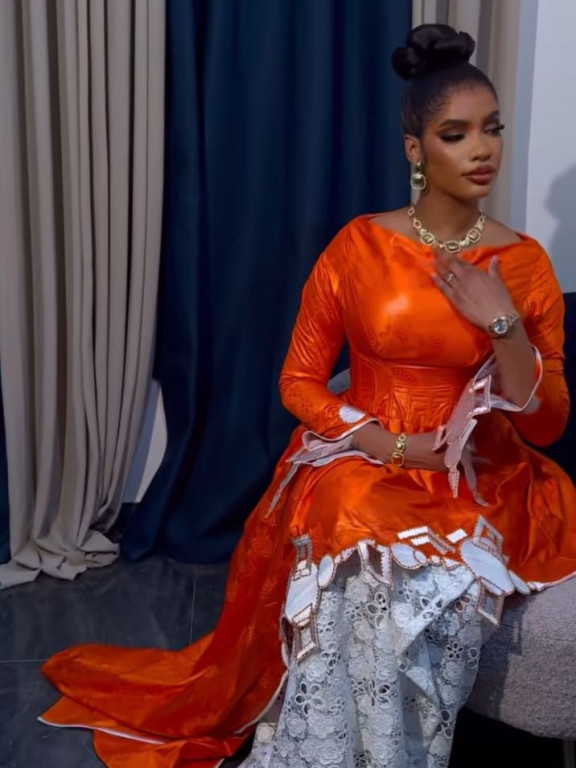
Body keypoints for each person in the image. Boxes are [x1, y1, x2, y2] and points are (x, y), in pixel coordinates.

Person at [40, 23, 576, 768]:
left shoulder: (523, 262)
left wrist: (502, 323)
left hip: (481, 476)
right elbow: (297, 381)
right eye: (455, 135)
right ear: (416, 150)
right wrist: (388, 443)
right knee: (349, 520)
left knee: (419, 581)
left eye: (493, 129)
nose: (482, 149)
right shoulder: (360, 247)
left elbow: (547, 423)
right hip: (368, 455)